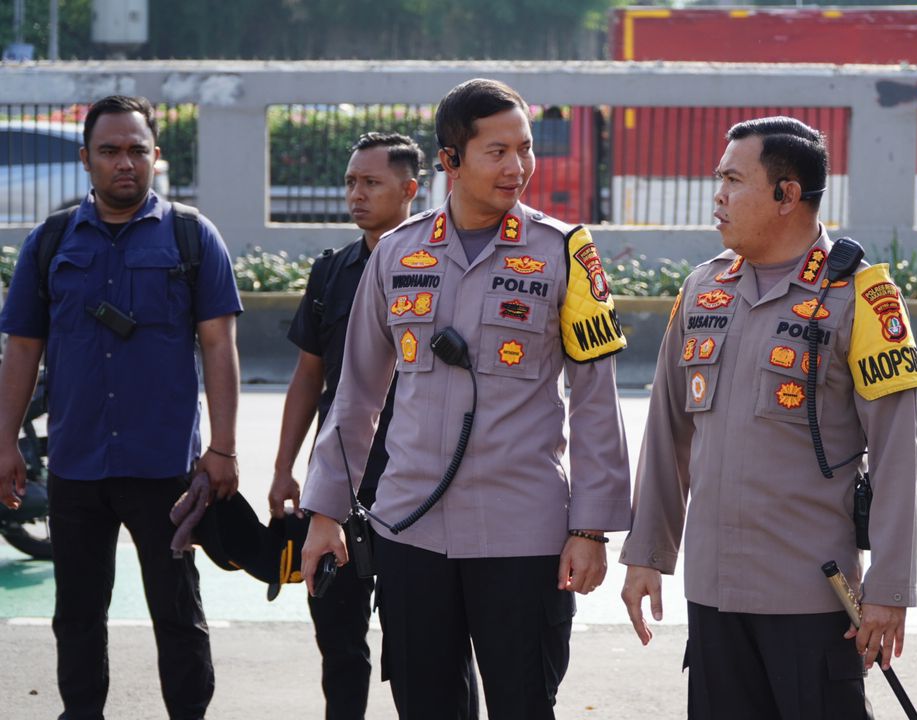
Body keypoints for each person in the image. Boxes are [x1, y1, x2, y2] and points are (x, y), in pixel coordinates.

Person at [297, 79, 631, 719]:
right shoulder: (397, 253)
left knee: (524, 704)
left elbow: (596, 400)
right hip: (409, 530)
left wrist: (590, 528)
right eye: (497, 152)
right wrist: (325, 512)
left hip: (523, 536)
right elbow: (356, 395)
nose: (518, 168)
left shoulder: (566, 253)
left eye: (525, 149)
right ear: (451, 159)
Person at [620, 116, 917, 720]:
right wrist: (647, 553)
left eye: (733, 180)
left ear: (787, 194)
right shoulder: (703, 288)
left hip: (812, 596)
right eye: (719, 179)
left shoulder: (861, 297)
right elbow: (667, 433)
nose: (718, 196)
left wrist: (889, 590)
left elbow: (897, 453)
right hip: (713, 592)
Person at [0, 95, 242, 719]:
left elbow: (219, 345)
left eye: (137, 150)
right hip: (77, 465)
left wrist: (222, 448)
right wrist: (4, 442)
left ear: (156, 156)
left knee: (177, 611)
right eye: (109, 151)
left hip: (165, 468)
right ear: (86, 159)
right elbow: (22, 347)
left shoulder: (192, 236)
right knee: (77, 613)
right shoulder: (50, 241)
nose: (124, 162)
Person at [268, 132, 480, 719]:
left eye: (371, 183)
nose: (356, 195)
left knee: (434, 649)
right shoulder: (331, 272)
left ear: (410, 189)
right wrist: (286, 470)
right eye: (351, 183)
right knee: (338, 639)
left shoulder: (448, 267)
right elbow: (309, 377)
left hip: (421, 486)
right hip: (342, 485)